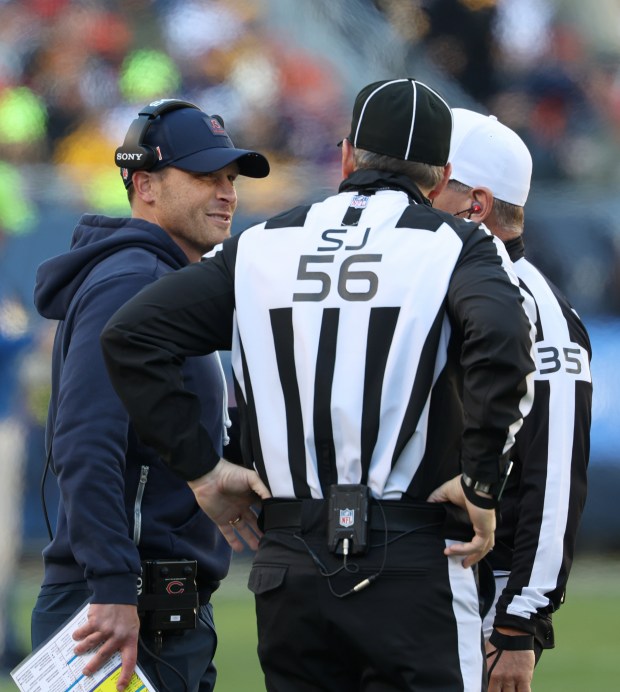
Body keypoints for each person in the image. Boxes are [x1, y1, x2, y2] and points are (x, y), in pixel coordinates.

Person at [101, 78, 536, 691]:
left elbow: (130, 336)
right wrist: (483, 480)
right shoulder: (456, 244)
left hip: (291, 562)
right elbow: (506, 348)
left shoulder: (262, 243)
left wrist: (202, 469)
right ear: (439, 179)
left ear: (347, 157)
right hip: (411, 557)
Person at [31, 99, 270, 692]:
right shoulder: (131, 282)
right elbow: (86, 440)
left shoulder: (162, 281)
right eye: (204, 177)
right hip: (122, 606)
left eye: (230, 179)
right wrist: (112, 587)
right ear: (145, 185)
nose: (227, 194)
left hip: (150, 601)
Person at [431, 108, 592, 691]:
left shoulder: (540, 313)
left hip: (484, 593)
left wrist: (520, 622)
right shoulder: (434, 280)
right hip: (421, 575)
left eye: (432, 181)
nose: (415, 194)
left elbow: (553, 480)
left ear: (474, 203)